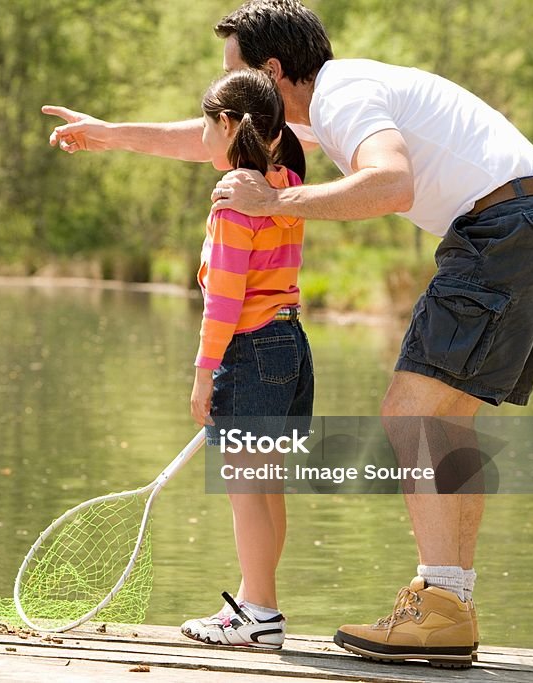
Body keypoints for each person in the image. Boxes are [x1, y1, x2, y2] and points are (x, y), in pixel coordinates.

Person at [42, 0, 533, 670]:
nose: (231, 96)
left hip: (505, 228)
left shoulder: (345, 96)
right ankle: (448, 603)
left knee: (412, 412)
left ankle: (441, 607)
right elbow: (209, 134)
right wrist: (109, 134)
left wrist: (275, 202)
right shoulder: (333, 102)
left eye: (238, 76)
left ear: (272, 71)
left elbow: (389, 182)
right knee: (443, 420)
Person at [183, 68, 313, 649]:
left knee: (245, 492)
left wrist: (204, 374)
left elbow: (225, 300)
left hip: (251, 349)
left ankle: (259, 615)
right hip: (290, 346)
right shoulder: (284, 186)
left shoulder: (236, 201)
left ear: (230, 124)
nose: (203, 137)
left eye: (207, 125)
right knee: (268, 488)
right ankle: (255, 604)